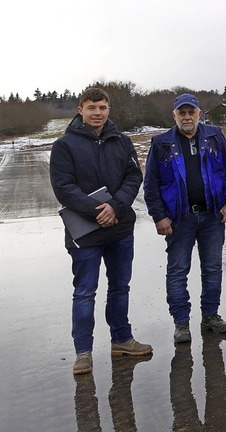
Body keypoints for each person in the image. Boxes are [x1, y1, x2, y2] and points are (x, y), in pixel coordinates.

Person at [50, 87, 152, 375]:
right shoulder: (64, 146)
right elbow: (64, 188)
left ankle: (121, 340)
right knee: (85, 292)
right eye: (91, 107)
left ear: (109, 109)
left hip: (119, 228)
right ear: (80, 109)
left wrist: (116, 206)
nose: (97, 112)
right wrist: (99, 210)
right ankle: (83, 352)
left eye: (102, 107)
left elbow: (134, 176)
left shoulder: (122, 141)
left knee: (120, 288)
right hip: (85, 233)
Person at [143, 93, 226, 343]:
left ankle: (211, 316)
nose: (187, 117)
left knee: (212, 268)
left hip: (211, 216)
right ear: (174, 115)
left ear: (199, 114)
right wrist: (159, 217)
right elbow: (150, 184)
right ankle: (181, 322)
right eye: (181, 113)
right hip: (179, 219)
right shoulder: (161, 143)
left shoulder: (214, 136)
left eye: (191, 112)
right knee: (177, 271)